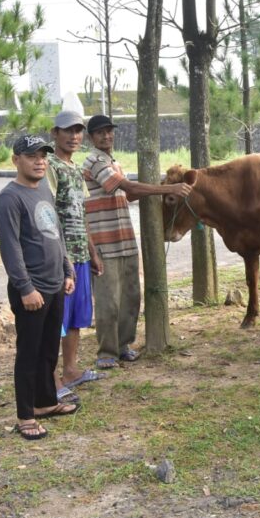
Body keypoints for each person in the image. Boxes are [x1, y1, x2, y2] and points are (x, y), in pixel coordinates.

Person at [82, 115, 193, 369]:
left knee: (130, 297)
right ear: (91, 138)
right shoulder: (95, 161)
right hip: (104, 242)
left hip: (124, 239)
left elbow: (129, 195)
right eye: (100, 133)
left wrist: (165, 186)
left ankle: (123, 346)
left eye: (109, 131)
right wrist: (168, 190)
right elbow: (128, 186)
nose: (106, 136)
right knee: (109, 301)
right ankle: (106, 353)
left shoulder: (113, 162)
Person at [0, 135, 78, 440]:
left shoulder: (43, 188)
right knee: (28, 354)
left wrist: (67, 269)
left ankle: (45, 402)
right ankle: (26, 415)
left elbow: (55, 231)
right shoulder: (9, 199)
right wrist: (25, 288)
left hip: (55, 284)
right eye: (32, 156)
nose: (39, 162)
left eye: (43, 156)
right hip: (32, 289)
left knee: (48, 350)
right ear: (16, 160)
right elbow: (10, 248)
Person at [46, 111, 105, 398]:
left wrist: (92, 252)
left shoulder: (75, 168)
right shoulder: (50, 166)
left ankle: (70, 370)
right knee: (56, 319)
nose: (74, 136)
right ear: (55, 133)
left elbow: (81, 215)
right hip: (61, 256)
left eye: (78, 131)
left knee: (77, 317)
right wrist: (61, 255)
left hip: (80, 254)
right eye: (68, 131)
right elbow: (47, 213)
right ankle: (51, 380)